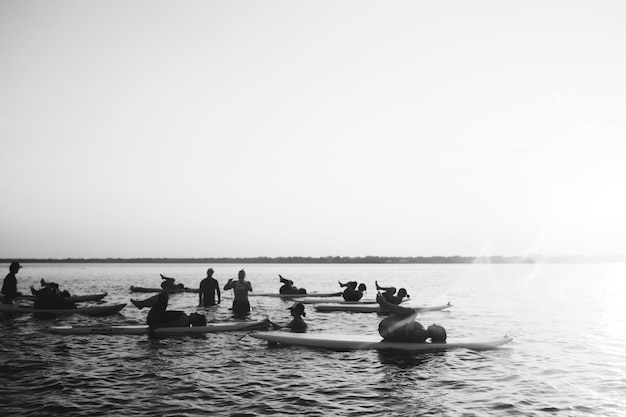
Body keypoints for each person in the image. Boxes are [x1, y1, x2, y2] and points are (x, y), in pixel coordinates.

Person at [376, 293, 446, 343]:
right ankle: (385, 305)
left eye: (437, 326)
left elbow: (409, 334)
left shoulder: (423, 334)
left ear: (436, 333)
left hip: (386, 330)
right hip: (386, 329)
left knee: (411, 312)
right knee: (411, 313)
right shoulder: (423, 332)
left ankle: (385, 304)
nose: (434, 324)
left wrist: (412, 318)